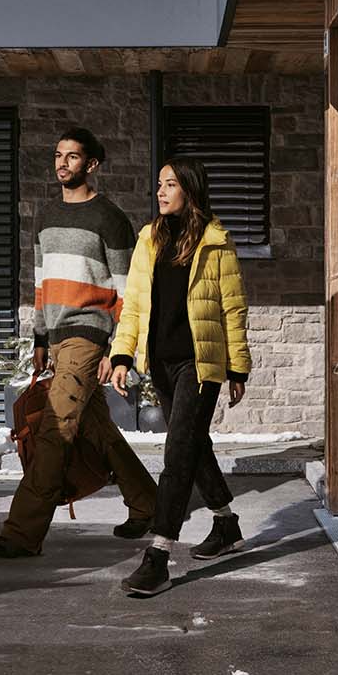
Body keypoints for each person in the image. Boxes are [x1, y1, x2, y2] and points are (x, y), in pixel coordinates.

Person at [0, 127, 160, 558]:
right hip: (57, 338)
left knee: (54, 431)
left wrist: (118, 349)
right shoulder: (45, 216)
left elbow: (128, 289)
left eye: (72, 157)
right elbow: (40, 283)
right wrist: (39, 336)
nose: (62, 163)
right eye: (58, 155)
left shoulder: (110, 219)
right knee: (97, 428)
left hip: (89, 333)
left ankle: (22, 534)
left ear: (91, 165)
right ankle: (150, 502)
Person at [106, 156, 251, 597]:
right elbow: (132, 304)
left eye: (170, 184)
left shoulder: (216, 242)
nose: (161, 191)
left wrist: (238, 367)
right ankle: (226, 523)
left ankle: (159, 554)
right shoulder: (149, 238)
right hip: (162, 363)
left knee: (177, 453)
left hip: (200, 364)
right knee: (193, 443)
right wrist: (122, 355)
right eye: (158, 184)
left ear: (189, 188)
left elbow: (232, 308)